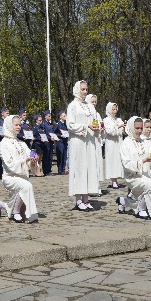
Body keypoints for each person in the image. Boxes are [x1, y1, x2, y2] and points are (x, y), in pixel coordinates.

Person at [116, 117, 151, 220]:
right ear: (130, 127)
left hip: (146, 173)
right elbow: (126, 164)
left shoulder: (143, 141)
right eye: (137, 128)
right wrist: (143, 161)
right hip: (133, 176)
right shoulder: (126, 143)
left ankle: (124, 201)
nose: (139, 131)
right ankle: (141, 209)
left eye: (140, 128)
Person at [0, 114, 38, 223]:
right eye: (16, 125)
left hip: (22, 176)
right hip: (10, 177)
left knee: (23, 190)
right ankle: (15, 213)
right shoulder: (3, 143)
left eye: (19, 125)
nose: (18, 127)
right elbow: (9, 164)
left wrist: (33, 158)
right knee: (26, 186)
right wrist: (25, 161)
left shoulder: (21, 143)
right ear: (9, 125)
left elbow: (29, 153)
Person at [66, 80, 100, 212]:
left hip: (89, 141)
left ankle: (86, 198)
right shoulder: (72, 106)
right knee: (79, 168)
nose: (85, 92)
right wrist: (86, 126)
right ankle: (78, 199)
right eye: (83, 89)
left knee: (88, 168)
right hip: (78, 141)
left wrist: (96, 129)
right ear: (77, 90)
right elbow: (70, 125)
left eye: (86, 89)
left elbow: (95, 121)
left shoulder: (90, 107)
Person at [103, 102, 124, 188]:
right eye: (113, 109)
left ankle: (117, 178)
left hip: (118, 142)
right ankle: (113, 180)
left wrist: (123, 127)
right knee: (111, 160)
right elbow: (109, 131)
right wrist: (118, 127)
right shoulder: (106, 120)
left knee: (118, 160)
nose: (115, 111)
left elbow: (123, 130)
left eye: (116, 109)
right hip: (111, 142)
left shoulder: (118, 119)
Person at [55, 110, 69, 174]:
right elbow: (54, 133)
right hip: (60, 141)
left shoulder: (66, 124)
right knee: (60, 155)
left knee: (64, 156)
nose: (65, 117)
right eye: (64, 116)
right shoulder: (57, 124)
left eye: (66, 115)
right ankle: (60, 170)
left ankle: (63, 169)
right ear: (60, 117)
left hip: (65, 141)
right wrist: (60, 135)